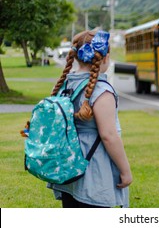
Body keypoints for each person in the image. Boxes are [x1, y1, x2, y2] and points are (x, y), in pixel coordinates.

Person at [47, 30, 133, 208]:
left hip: (69, 167)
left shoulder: (66, 84)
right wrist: (125, 171)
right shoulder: (101, 91)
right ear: (105, 58)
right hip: (93, 170)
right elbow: (109, 135)